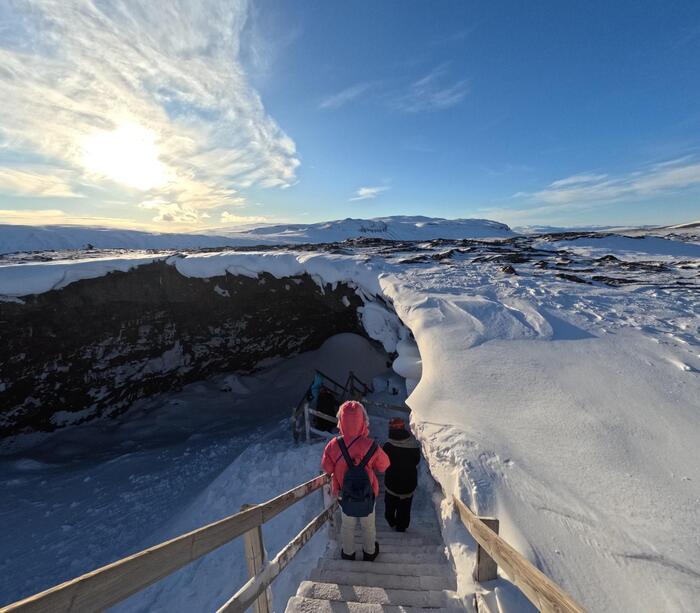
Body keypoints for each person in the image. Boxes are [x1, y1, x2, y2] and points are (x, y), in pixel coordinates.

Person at [321, 400, 390, 561]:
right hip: (367, 494)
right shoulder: (370, 445)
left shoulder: (333, 445)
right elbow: (384, 465)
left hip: (344, 495)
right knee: (368, 526)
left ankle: (348, 553)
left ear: (341, 420)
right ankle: (370, 552)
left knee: (347, 525)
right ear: (362, 420)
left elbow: (327, 468)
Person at [383, 417, 420, 532]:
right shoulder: (413, 445)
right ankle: (401, 526)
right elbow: (416, 461)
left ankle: (391, 521)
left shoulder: (387, 446)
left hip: (391, 482)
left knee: (390, 506)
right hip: (409, 482)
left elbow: (383, 463)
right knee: (405, 505)